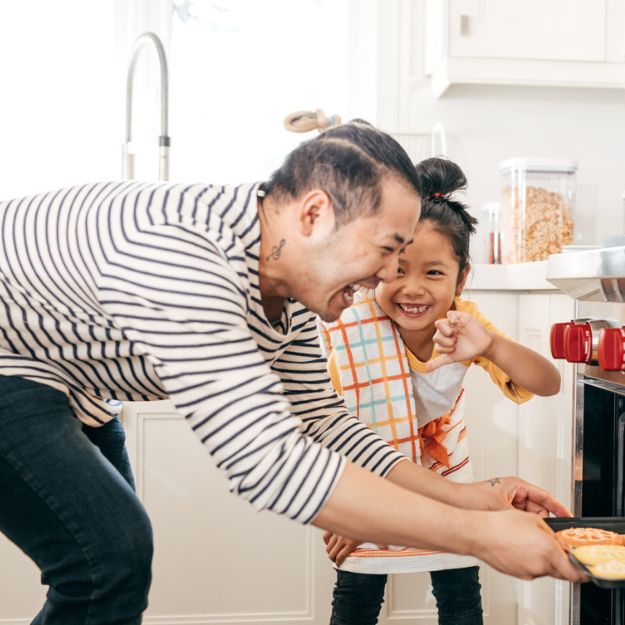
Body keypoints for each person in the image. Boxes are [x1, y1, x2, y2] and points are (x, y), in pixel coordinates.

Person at [0, 121, 582, 625]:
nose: (387, 274)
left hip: (69, 380)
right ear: (314, 215)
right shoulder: (183, 255)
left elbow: (325, 423)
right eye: (386, 249)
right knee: (109, 557)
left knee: (113, 568)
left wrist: (469, 499)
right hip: (12, 362)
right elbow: (268, 462)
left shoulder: (291, 290)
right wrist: (480, 538)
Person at [319, 156, 563, 625]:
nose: (412, 289)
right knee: (355, 600)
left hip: (451, 488)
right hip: (366, 488)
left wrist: (490, 344)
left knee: (460, 599)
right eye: (397, 270)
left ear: (461, 279)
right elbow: (328, 424)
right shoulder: (351, 326)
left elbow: (548, 384)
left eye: (433, 272)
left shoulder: (464, 325)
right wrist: (346, 509)